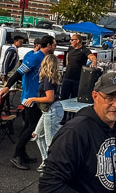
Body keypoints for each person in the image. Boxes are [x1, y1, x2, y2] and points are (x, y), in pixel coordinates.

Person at [5, 35, 55, 169]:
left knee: (28, 126)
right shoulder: (35, 57)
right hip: (31, 98)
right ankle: (16, 155)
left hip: (36, 97)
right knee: (32, 128)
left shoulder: (45, 58)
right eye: (54, 45)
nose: (55, 47)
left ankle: (22, 153)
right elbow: (18, 73)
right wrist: (7, 86)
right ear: (49, 45)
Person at [24, 54, 63, 172]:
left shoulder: (48, 80)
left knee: (50, 141)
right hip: (49, 110)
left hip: (51, 110)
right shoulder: (52, 78)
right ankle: (46, 160)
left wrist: (33, 99)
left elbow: (49, 98)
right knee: (37, 135)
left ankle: (52, 165)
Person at [60, 33, 93, 101]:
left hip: (77, 79)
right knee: (63, 97)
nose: (70, 41)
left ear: (77, 40)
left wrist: (94, 61)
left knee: (74, 98)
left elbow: (91, 56)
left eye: (72, 40)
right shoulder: (70, 48)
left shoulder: (84, 50)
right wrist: (66, 66)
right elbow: (67, 56)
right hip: (67, 77)